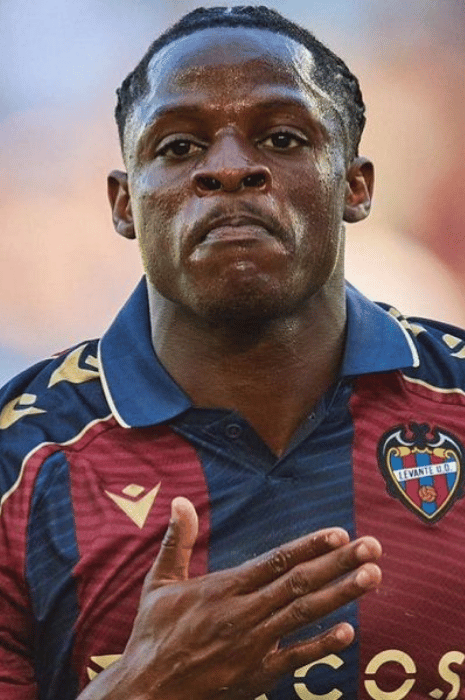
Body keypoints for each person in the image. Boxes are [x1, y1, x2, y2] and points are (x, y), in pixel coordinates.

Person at [0, 5, 464, 699]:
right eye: (178, 147)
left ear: (355, 185)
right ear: (123, 205)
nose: (229, 168)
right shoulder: (21, 460)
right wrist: (140, 688)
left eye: (280, 138)